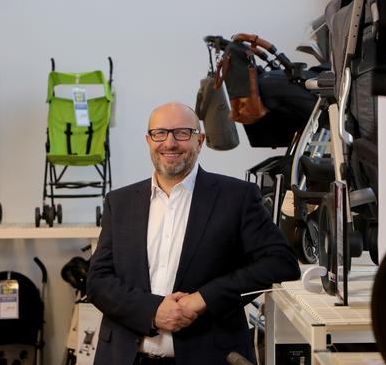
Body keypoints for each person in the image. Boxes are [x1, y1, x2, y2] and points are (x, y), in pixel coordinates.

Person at [87, 102, 300, 365]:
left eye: (182, 133)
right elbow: (98, 282)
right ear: (148, 140)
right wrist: (152, 311)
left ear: (200, 141)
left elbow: (281, 263)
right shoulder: (119, 202)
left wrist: (202, 299)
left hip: (212, 357)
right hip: (124, 358)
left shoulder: (236, 197)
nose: (170, 142)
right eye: (160, 133)